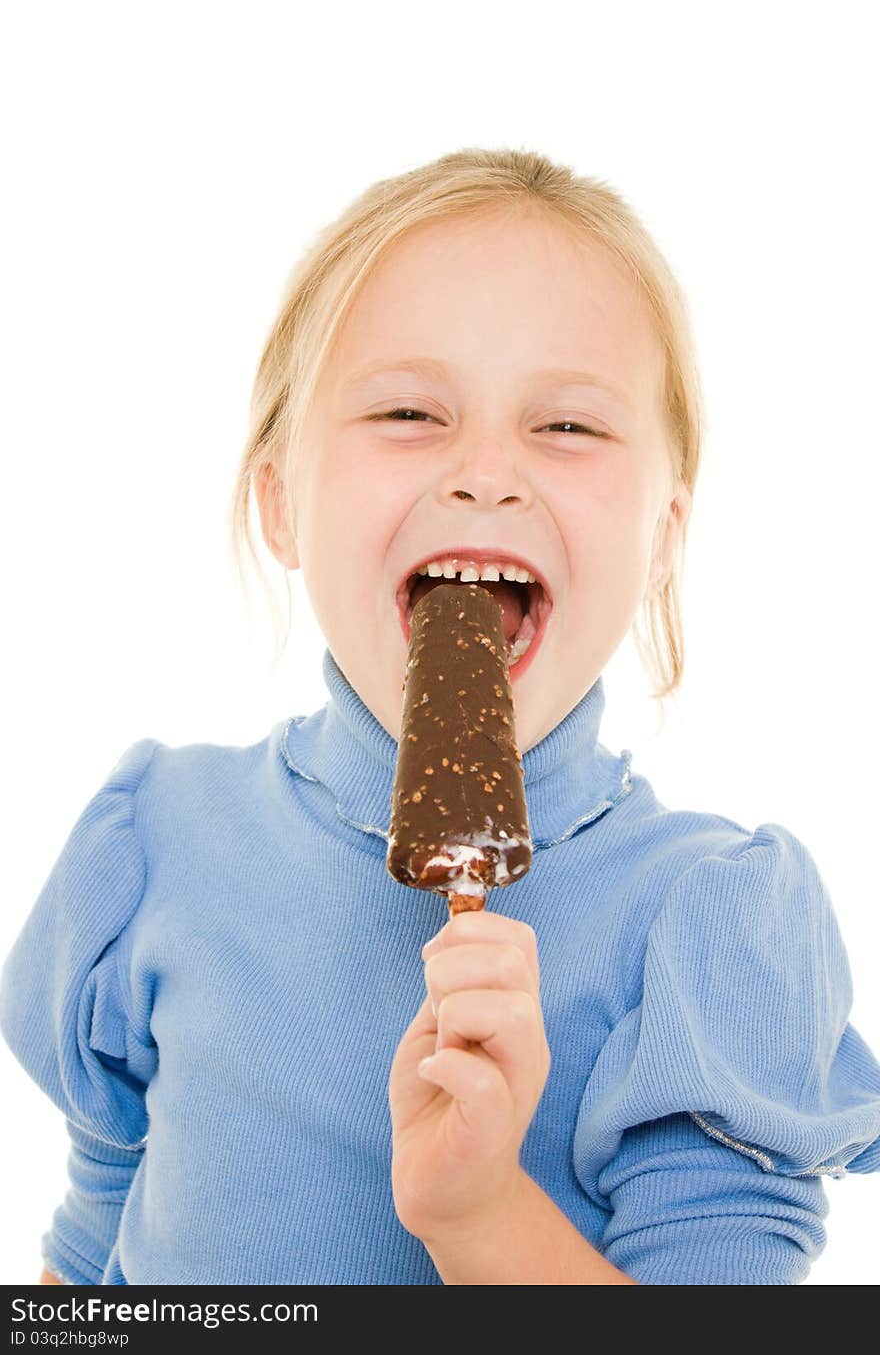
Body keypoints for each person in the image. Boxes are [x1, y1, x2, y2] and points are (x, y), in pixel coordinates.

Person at [3, 147, 879, 1287]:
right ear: (279, 499)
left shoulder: (706, 925)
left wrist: (480, 1215)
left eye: (565, 428)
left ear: (662, 535)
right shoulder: (153, 842)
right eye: (411, 411)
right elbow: (92, 1262)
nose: (484, 473)